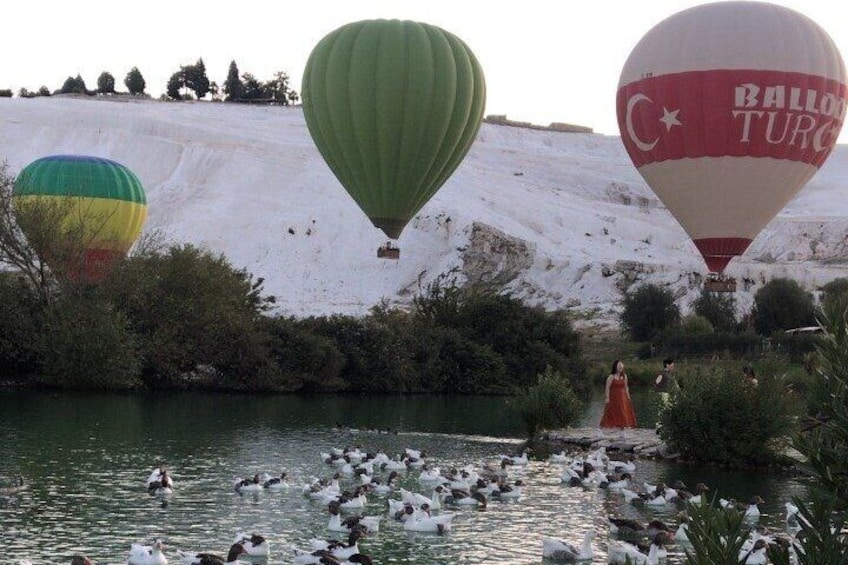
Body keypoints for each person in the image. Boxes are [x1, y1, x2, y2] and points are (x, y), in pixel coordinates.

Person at [600, 360, 637, 428]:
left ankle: (623, 426)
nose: (620, 367)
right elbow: (607, 387)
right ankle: (609, 425)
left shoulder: (624, 376)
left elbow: (626, 387)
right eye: (619, 365)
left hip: (622, 398)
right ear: (615, 366)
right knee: (612, 411)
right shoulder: (611, 376)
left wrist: (628, 396)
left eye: (621, 365)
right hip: (613, 397)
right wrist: (607, 397)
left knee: (622, 411)